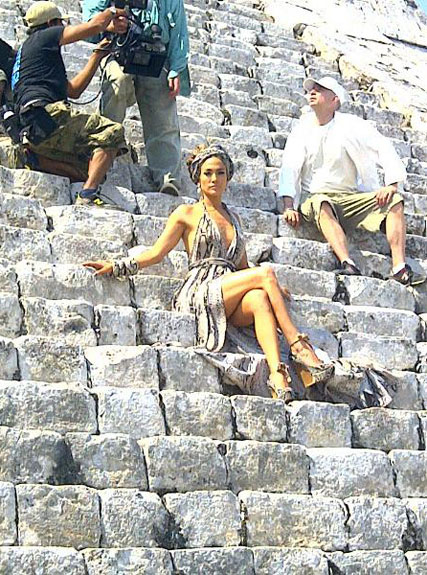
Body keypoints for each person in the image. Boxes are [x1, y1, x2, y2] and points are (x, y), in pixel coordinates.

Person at [84, 144, 333, 403]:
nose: (214, 179)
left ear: (228, 177)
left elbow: (242, 267)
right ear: (198, 178)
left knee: (260, 297)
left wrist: (273, 290)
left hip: (229, 291)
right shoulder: (186, 213)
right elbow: (157, 253)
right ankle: (299, 347)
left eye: (220, 173)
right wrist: (118, 266)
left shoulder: (234, 218)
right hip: (201, 289)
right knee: (266, 273)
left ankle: (277, 375)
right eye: (208, 173)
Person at [279, 76, 425, 287]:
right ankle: (347, 263)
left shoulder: (352, 125)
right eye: (312, 89)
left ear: (335, 99)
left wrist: (392, 185)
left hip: (351, 197)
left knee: (395, 202)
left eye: (320, 89)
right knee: (321, 203)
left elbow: (382, 146)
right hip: (316, 196)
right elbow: (290, 166)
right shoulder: (301, 129)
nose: (313, 92)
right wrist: (288, 206)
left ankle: (400, 268)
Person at [11, 1, 128, 206]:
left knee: (91, 168)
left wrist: (96, 56)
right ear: (51, 23)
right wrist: (113, 10)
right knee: (113, 132)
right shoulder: (45, 36)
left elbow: (73, 91)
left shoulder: (33, 53)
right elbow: (94, 26)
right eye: (60, 24)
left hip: (34, 125)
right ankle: (88, 195)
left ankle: (37, 159)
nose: (63, 28)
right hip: (49, 115)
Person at [82, 0, 190, 196]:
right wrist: (110, 24)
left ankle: (167, 177)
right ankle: (101, 157)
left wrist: (176, 68)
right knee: (118, 81)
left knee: (162, 105)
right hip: (117, 50)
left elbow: (179, 33)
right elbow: (90, 22)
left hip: (155, 56)